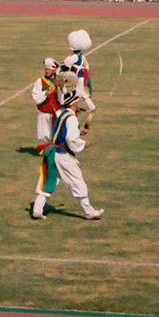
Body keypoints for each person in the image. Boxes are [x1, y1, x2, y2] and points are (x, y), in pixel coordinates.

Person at [31, 92, 104, 221]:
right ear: (74, 103)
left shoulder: (63, 114)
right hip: (64, 156)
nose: (80, 104)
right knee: (78, 182)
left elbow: (62, 133)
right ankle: (89, 212)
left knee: (49, 181)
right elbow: (70, 138)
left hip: (53, 154)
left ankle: (37, 209)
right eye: (78, 101)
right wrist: (83, 143)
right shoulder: (72, 118)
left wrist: (79, 132)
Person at [63, 29, 97, 116]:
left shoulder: (76, 57)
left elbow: (66, 62)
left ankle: (91, 107)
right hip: (83, 74)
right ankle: (78, 106)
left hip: (80, 75)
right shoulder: (82, 56)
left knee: (80, 92)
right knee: (80, 92)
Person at [31, 57, 62, 143]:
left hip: (56, 112)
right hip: (44, 112)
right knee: (45, 134)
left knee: (57, 133)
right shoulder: (40, 81)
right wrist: (44, 94)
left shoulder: (57, 80)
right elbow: (35, 96)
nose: (47, 71)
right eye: (46, 69)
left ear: (53, 70)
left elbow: (61, 96)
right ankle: (48, 149)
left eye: (49, 69)